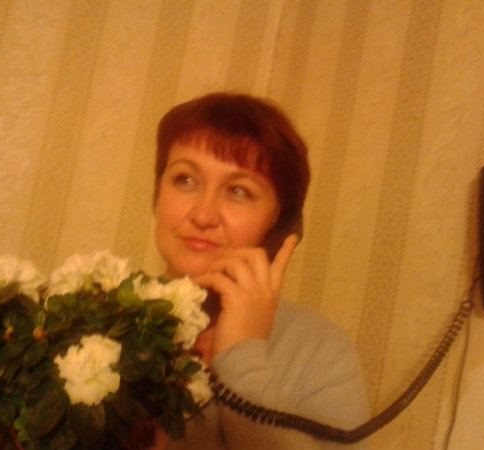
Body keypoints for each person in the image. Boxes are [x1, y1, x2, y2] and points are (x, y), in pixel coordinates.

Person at [153, 93, 370, 450]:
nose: (203, 215)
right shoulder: (90, 320)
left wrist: (241, 358)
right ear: (157, 195)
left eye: (238, 191)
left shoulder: (322, 351)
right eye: (185, 180)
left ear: (279, 225)